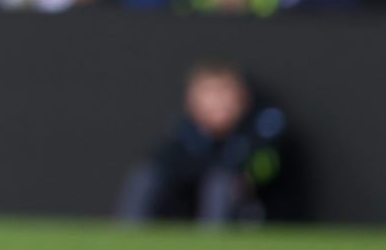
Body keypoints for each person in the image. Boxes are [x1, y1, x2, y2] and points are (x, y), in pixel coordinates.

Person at [117, 60, 291, 223]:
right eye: (209, 94)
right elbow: (161, 163)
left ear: (241, 97)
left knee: (220, 184)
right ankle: (127, 235)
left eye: (223, 93)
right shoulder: (186, 130)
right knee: (145, 177)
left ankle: (212, 244)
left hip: (249, 207)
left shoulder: (260, 126)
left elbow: (265, 167)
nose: (217, 103)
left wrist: (246, 176)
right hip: (186, 206)